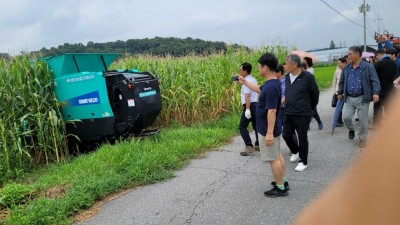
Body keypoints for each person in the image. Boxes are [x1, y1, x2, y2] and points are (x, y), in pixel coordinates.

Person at [239, 52, 288, 197]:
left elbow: (272, 111)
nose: (259, 69)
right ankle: (282, 181)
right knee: (277, 155)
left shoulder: (272, 87)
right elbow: (259, 89)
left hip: (269, 129)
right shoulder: (272, 83)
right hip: (272, 127)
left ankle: (280, 188)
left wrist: (269, 133)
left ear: (265, 68)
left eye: (260, 67)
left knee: (273, 158)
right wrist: (245, 82)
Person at [337, 46, 381, 148]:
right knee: (346, 118)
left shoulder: (368, 67)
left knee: (363, 120)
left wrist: (376, 93)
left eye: (350, 54)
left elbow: (375, 80)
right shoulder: (347, 68)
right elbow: (342, 82)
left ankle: (362, 139)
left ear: (357, 54)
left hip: (362, 98)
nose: (348, 56)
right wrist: (340, 92)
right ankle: (351, 129)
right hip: (349, 98)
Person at [283, 54, 319, 172]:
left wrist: (310, 108)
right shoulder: (287, 77)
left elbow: (315, 94)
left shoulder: (307, 77)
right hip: (288, 111)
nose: (285, 66)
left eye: (286, 64)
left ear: (294, 64)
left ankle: (303, 161)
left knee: (302, 137)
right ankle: (295, 151)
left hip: (303, 113)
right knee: (286, 135)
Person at [237, 62, 260, 156]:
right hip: (256, 105)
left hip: (249, 105)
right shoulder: (253, 79)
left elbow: (247, 96)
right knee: (256, 126)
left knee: (242, 127)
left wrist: (247, 109)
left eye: (241, 70)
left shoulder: (246, 82)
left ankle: (249, 146)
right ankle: (258, 144)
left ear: (245, 71)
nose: (240, 71)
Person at [373, 49, 397, 127]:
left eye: (376, 57)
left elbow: (374, 77)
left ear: (380, 55)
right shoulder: (394, 63)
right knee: (389, 106)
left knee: (378, 106)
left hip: (380, 89)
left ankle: (377, 123)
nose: (376, 58)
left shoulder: (378, 64)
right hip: (390, 87)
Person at [303, 57, 323, 130]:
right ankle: (307, 125)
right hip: (304, 94)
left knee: (313, 110)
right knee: (304, 110)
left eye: (304, 61)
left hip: (310, 93)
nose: (303, 61)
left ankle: (319, 121)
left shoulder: (310, 70)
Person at [332, 57, 347, 127]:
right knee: (339, 107)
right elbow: (334, 82)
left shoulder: (348, 71)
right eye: (337, 63)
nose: (338, 65)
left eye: (339, 63)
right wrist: (334, 91)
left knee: (348, 107)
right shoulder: (337, 71)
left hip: (347, 92)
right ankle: (339, 121)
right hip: (339, 92)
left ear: (344, 63)